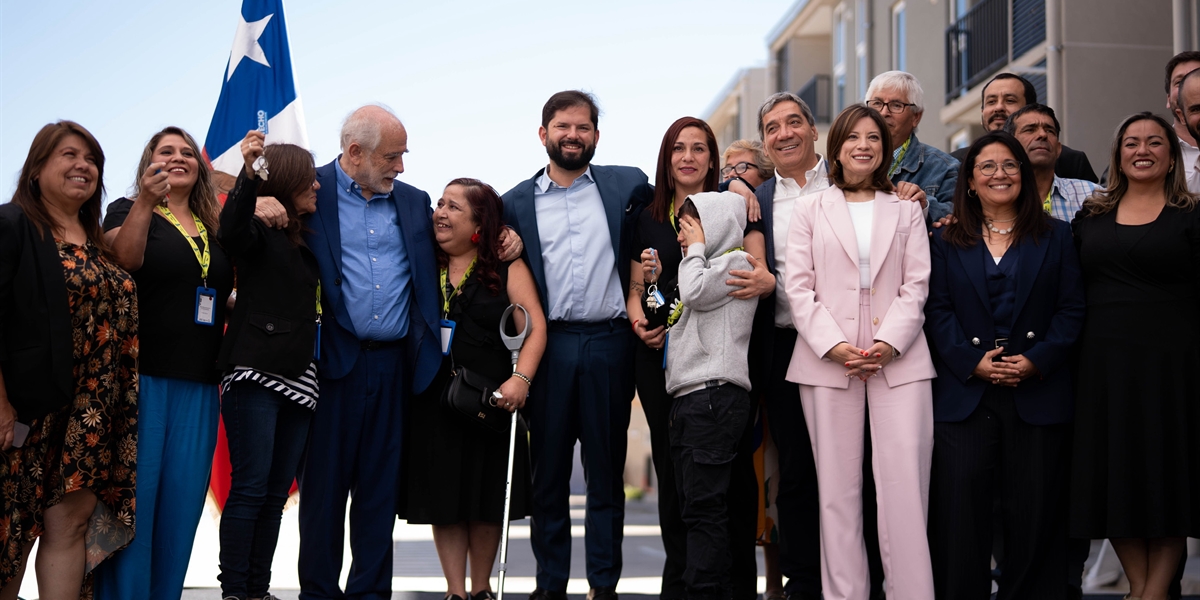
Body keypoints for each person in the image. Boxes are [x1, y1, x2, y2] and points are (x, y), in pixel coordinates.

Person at [783, 103, 937, 600]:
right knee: (837, 494)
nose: (864, 145)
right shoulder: (810, 208)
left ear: (885, 148)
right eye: (853, 137)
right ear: (837, 147)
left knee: (905, 493)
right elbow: (798, 288)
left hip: (902, 359)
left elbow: (917, 285)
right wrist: (835, 346)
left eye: (874, 137)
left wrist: (890, 343)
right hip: (828, 361)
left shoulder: (907, 208)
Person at [924, 130, 1086, 599]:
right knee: (960, 522)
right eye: (987, 166)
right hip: (965, 397)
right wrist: (972, 361)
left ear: (1023, 174)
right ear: (970, 181)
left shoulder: (1056, 235)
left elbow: (1072, 308)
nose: (1000, 174)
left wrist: (1036, 361)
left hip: (1037, 393)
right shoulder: (946, 238)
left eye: (1010, 165)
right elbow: (935, 310)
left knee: (1035, 520)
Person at [501, 90, 649, 600]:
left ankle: (603, 588)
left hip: (611, 343)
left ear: (596, 136)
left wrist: (738, 185)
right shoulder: (513, 203)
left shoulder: (626, 184)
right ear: (543, 134)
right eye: (563, 126)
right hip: (551, 346)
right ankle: (550, 588)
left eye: (583, 127)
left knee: (606, 476)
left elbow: (682, 195)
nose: (573, 135)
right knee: (548, 479)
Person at [296, 104, 442, 600]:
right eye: (392, 157)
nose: (400, 167)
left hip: (394, 367)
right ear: (354, 153)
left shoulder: (415, 202)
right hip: (330, 363)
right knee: (323, 494)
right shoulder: (306, 191)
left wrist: (502, 238)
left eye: (403, 156)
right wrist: (256, 202)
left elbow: (457, 242)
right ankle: (318, 594)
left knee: (379, 496)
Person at [96, 126, 237, 600]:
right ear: (148, 163)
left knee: (180, 508)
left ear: (199, 167)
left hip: (200, 382)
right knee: (139, 504)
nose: (178, 158)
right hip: (144, 380)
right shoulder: (126, 208)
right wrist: (143, 203)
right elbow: (123, 259)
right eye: (165, 151)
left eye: (186, 153)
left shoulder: (212, 225)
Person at [0, 121, 138, 599]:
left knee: (70, 529)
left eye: (93, 159)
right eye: (69, 155)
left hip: (92, 412)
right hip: (25, 410)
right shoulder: (12, 224)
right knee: (9, 536)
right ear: (37, 169)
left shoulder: (100, 243)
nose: (84, 166)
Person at [626, 119, 761, 600]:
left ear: (713, 156)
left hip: (722, 367)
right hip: (669, 364)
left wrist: (741, 183)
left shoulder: (733, 205)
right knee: (681, 484)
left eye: (699, 148)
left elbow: (714, 283)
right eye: (678, 148)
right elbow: (650, 293)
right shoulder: (646, 213)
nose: (688, 157)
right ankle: (685, 584)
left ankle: (732, 584)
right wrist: (644, 318)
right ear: (666, 157)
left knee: (728, 486)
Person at [1070, 112, 1200, 600]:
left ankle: (1148, 593)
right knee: (1115, 477)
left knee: (1169, 479)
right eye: (1131, 142)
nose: (1142, 150)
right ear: (1118, 155)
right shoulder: (1091, 216)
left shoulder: (1193, 214)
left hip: (1174, 370)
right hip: (1103, 370)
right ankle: (1145, 589)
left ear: (1171, 157)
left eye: (1153, 142)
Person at [398, 178, 547, 600]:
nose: (440, 213)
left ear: (480, 223)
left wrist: (521, 380)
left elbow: (533, 328)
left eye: (453, 207)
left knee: (484, 498)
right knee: (443, 499)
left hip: (488, 403)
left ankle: (481, 590)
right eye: (439, 204)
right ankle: (454, 592)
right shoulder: (424, 264)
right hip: (431, 400)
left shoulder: (506, 266)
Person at [214, 131, 323, 600]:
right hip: (255, 373)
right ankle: (236, 591)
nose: (317, 186)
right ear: (286, 179)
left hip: (301, 377)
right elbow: (230, 229)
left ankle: (258, 591)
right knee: (252, 488)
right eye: (309, 179)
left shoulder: (304, 237)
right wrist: (248, 178)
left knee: (275, 496)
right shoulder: (257, 227)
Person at [664, 191, 758, 600]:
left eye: (692, 226)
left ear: (716, 223)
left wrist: (697, 249)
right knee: (695, 509)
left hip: (713, 396)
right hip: (692, 397)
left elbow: (696, 294)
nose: (683, 238)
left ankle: (705, 593)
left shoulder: (736, 263)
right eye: (682, 229)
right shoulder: (701, 265)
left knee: (705, 511)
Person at [722, 140, 786, 600]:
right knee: (750, 479)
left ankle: (782, 580)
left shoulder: (776, 213)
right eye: (725, 167)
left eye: (741, 166)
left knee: (782, 477)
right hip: (736, 368)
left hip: (778, 359)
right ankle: (758, 582)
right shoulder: (723, 216)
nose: (731, 174)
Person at [950, 73, 1097, 183]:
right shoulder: (956, 163)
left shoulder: (1071, 162)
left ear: (1030, 109)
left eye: (1010, 100)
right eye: (991, 101)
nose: (999, 107)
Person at [864, 70, 959, 222]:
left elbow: (958, 218)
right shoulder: (847, 162)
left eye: (896, 105)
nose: (883, 112)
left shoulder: (945, 168)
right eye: (877, 104)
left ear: (916, 117)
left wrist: (923, 204)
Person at [1003, 104, 1097, 221]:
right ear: (1009, 145)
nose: (1042, 135)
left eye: (1049, 130)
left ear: (1058, 149)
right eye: (1030, 129)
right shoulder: (996, 196)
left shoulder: (1093, 196)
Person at [1165, 52, 1200, 189]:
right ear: (1168, 99)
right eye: (1180, 82)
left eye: (1197, 76)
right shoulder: (1151, 153)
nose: (1189, 85)